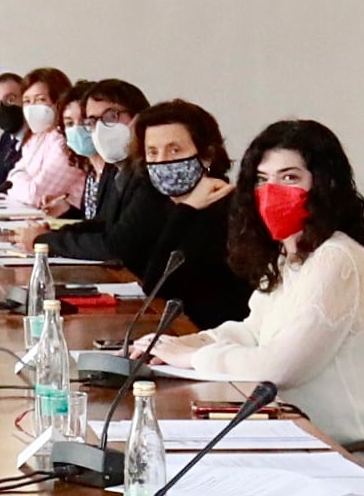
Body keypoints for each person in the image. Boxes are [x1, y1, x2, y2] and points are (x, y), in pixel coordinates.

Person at [154, 119, 364, 446]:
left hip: (360, 452)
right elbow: (254, 332)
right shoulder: (289, 255)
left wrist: (192, 358)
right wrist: (181, 346)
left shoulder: (337, 258)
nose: (272, 192)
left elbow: (277, 369)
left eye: (290, 178)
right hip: (307, 438)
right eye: (263, 180)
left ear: (324, 184)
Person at [65, 97, 247, 327]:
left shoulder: (225, 209)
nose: (162, 162)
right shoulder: (161, 201)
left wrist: (186, 210)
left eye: (174, 150)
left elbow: (157, 284)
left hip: (206, 338)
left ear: (206, 155)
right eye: (152, 152)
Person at [31, 77, 142, 243]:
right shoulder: (110, 170)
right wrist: (52, 233)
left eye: (111, 116)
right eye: (92, 121)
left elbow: (116, 243)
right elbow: (100, 224)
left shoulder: (143, 174)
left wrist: (45, 241)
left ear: (138, 118)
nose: (99, 128)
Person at [0, 67, 87, 215]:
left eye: (40, 100)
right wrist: (23, 179)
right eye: (27, 101)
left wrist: (24, 179)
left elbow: (34, 194)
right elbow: (11, 178)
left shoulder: (68, 141)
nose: (32, 108)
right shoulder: (36, 137)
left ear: (59, 101)